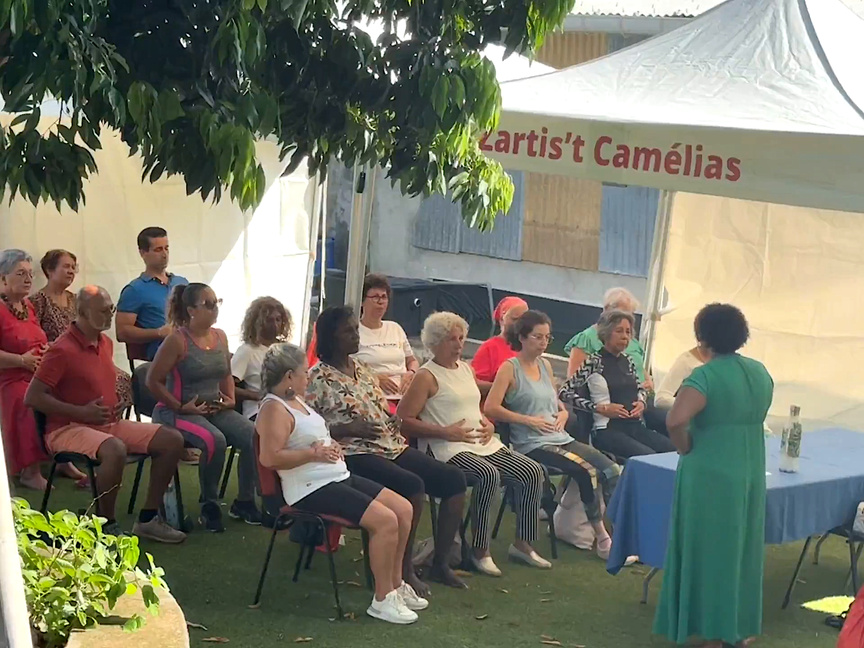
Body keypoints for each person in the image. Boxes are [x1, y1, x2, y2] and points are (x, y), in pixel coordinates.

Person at [256, 343, 425, 624]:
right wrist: (314, 452)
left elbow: (309, 437)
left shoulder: (297, 401)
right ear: (288, 377)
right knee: (385, 521)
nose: (307, 377)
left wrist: (328, 444)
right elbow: (270, 458)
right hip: (309, 488)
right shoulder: (274, 409)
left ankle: (395, 585)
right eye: (302, 373)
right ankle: (383, 599)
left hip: (335, 476)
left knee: (404, 509)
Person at [306, 306, 468, 594]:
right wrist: (346, 429)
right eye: (348, 331)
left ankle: (440, 563)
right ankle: (402, 569)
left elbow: (380, 408)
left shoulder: (363, 369)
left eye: (356, 329)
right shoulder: (317, 378)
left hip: (388, 445)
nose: (356, 335)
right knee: (411, 485)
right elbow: (306, 430)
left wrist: (389, 418)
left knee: (454, 480)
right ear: (331, 337)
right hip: (353, 452)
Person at [24, 285, 186, 542]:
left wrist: (117, 402)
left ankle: (147, 519)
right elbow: (32, 397)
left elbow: (96, 383)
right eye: (103, 310)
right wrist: (80, 412)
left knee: (172, 440)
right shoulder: (61, 349)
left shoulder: (105, 342)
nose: (110, 315)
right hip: (65, 429)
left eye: (111, 309)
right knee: (114, 449)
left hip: (105, 424)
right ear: (82, 312)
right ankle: (103, 523)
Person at [653, 304, 773, 648]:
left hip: (710, 471)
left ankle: (712, 632)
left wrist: (685, 446)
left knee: (708, 549)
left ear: (702, 336)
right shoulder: (760, 372)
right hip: (749, 467)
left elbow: (675, 419)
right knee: (741, 548)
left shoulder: (704, 376)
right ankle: (738, 624)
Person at [399, 312, 551, 576]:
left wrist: (487, 422)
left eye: (461, 338)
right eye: (451, 340)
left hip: (480, 441)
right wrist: (443, 432)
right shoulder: (426, 375)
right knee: (487, 475)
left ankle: (523, 543)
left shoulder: (466, 369)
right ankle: (481, 551)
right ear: (435, 343)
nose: (459, 345)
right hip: (445, 448)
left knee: (531, 470)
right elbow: (403, 420)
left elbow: (471, 405)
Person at [484, 310, 619, 559]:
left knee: (611, 470)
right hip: (531, 443)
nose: (544, 342)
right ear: (522, 337)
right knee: (587, 471)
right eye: (538, 337)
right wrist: (526, 420)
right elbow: (491, 407)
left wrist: (564, 413)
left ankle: (616, 533)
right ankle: (603, 539)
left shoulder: (545, 365)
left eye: (547, 337)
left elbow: (555, 401)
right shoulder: (509, 369)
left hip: (559, 437)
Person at [147, 283, 260, 531]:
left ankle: (245, 501)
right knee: (214, 440)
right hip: (176, 412)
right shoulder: (177, 341)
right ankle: (209, 504)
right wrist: (180, 405)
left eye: (216, 302)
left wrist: (230, 398)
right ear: (191, 310)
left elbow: (226, 374)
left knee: (253, 435)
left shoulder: (220, 336)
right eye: (207, 304)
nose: (214, 309)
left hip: (213, 408)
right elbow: (152, 380)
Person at [558, 310, 675, 458]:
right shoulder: (594, 362)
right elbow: (564, 392)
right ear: (606, 333)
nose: (625, 337)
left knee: (672, 450)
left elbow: (641, 388)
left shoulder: (628, 361)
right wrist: (599, 408)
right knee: (647, 457)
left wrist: (642, 402)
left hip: (634, 425)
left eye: (628, 332)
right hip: (607, 429)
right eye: (619, 331)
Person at [31, 249, 133, 414]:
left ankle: (112, 419)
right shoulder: (38, 300)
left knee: (122, 379)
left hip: (87, 351)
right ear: (50, 270)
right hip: (60, 357)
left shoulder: (76, 298)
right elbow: (32, 333)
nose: (71, 271)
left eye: (73, 267)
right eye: (66, 266)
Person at [564, 287, 667, 436]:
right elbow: (573, 383)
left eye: (629, 315)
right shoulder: (587, 340)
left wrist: (648, 383)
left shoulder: (631, 344)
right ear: (606, 310)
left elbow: (641, 369)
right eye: (620, 314)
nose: (625, 332)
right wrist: (599, 407)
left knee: (672, 425)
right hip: (613, 404)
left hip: (641, 399)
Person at [0, 249, 51, 490]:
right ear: (2, 279)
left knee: (69, 388)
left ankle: (63, 457)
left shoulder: (28, 306)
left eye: (30, 274)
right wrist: (21, 361)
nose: (28, 279)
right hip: (8, 377)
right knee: (24, 399)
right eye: (21, 273)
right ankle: (29, 470)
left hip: (35, 372)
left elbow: (35, 339)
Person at [116, 227, 188, 361]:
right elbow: (122, 332)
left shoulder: (181, 283)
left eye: (166, 248)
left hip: (190, 347)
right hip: (162, 357)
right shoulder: (134, 290)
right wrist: (159, 333)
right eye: (158, 250)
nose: (165, 254)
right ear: (143, 253)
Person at [354, 274, 419, 404]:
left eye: (384, 297)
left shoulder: (395, 328)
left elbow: (412, 360)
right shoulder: (354, 331)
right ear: (362, 301)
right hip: (372, 397)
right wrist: (375, 378)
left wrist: (411, 373)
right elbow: (348, 369)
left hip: (404, 397)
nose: (381, 302)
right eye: (375, 297)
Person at [232, 296, 293, 420]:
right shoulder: (247, 351)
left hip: (288, 408)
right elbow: (229, 387)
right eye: (269, 320)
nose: (275, 325)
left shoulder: (287, 350)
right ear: (257, 322)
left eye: (278, 319)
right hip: (258, 411)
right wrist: (259, 396)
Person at [471, 296, 528, 395]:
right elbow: (473, 383)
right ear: (502, 318)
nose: (519, 324)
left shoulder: (528, 347)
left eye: (524, 320)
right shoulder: (490, 347)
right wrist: (504, 387)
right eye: (515, 319)